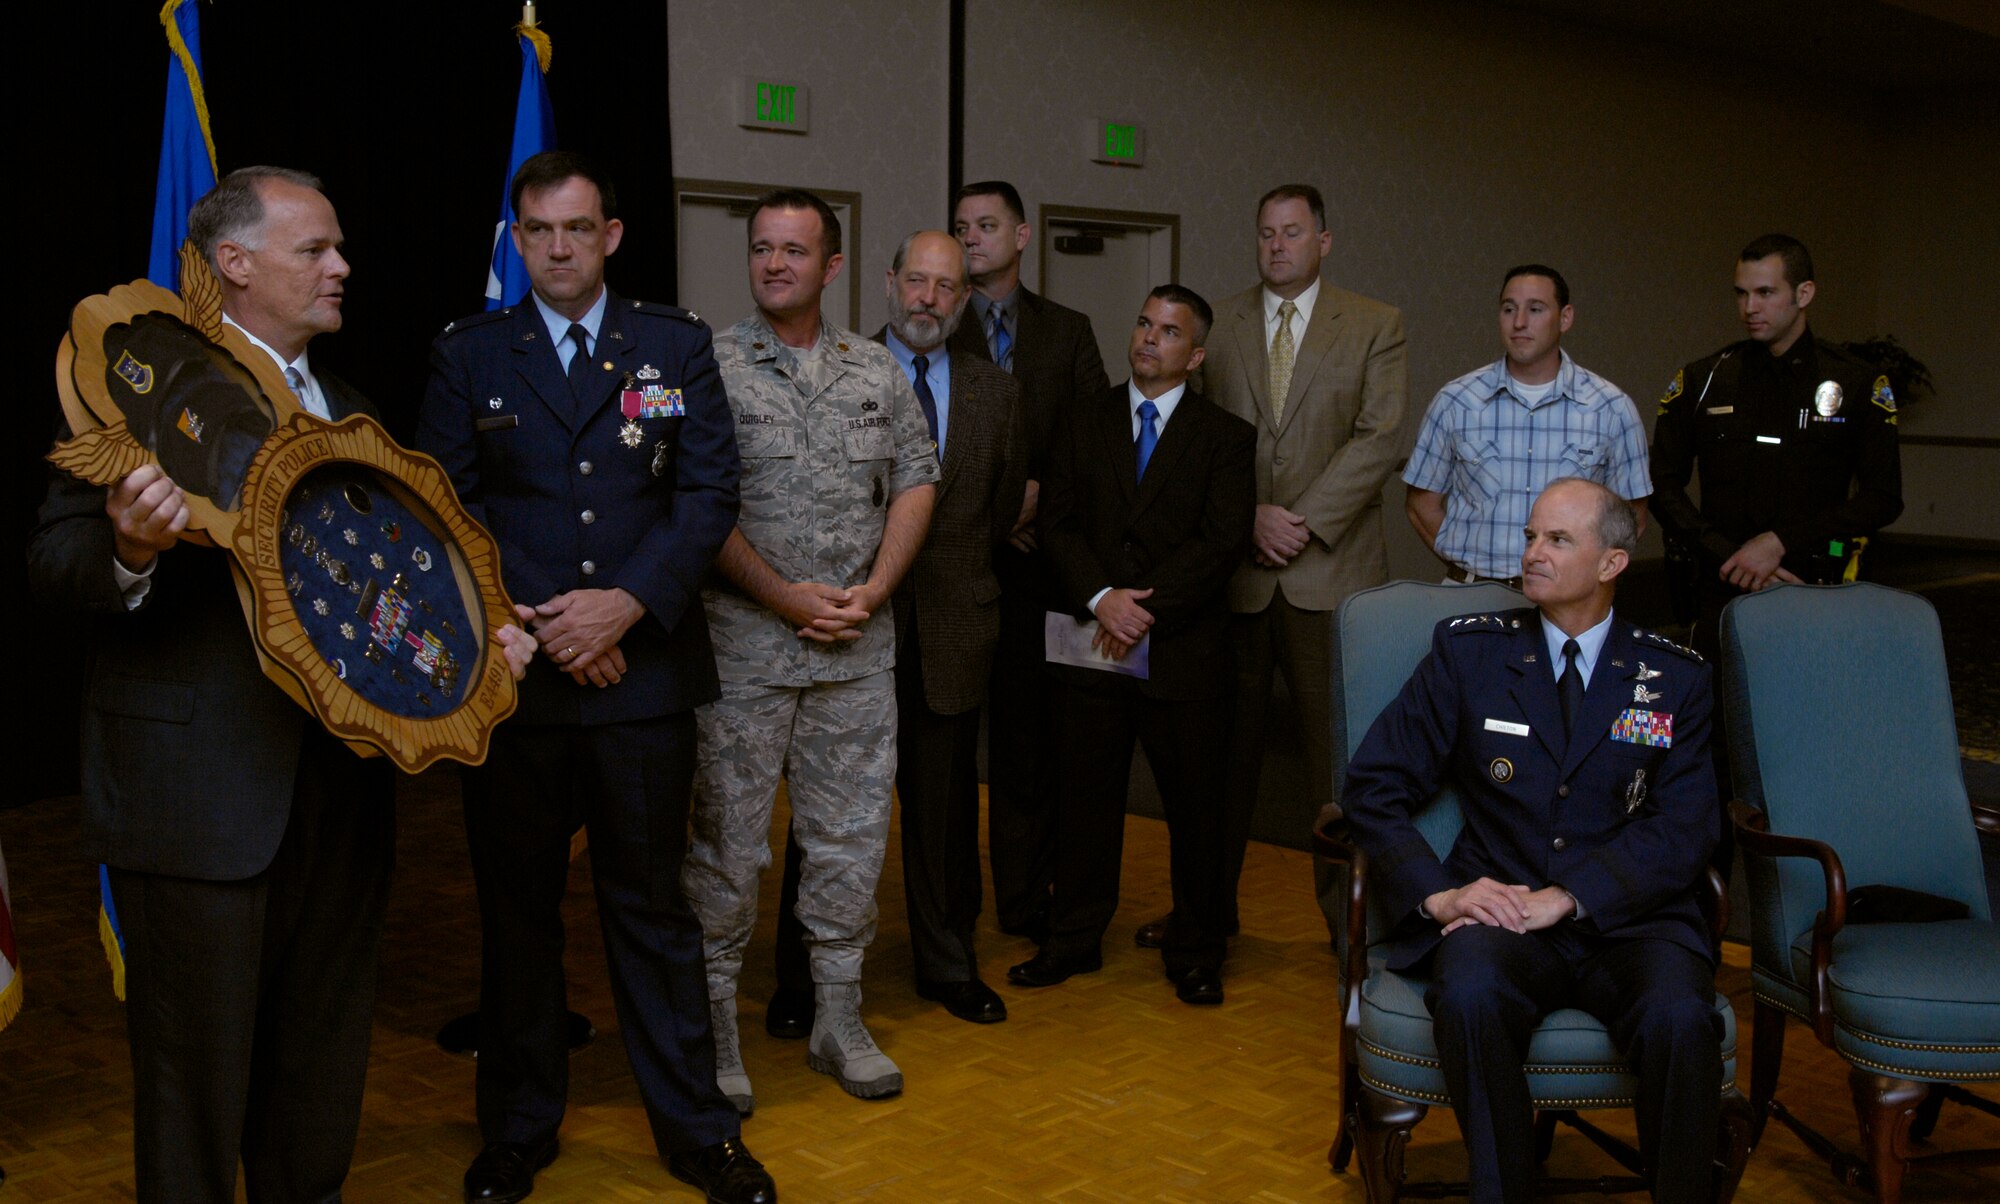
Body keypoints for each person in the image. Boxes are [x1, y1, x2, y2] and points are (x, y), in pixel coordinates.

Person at [28, 166, 536, 1203]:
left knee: (318, 1076)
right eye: (316, 250)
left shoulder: (353, 410)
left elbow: (397, 588)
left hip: (342, 796)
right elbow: (52, 564)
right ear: (235, 265)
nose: (343, 267)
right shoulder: (144, 385)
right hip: (196, 800)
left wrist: (481, 649)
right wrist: (129, 547)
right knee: (194, 1091)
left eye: (339, 248)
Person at [417, 151, 774, 1204]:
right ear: (515, 241)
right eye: (538, 232)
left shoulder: (671, 344)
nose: (559, 249)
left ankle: (698, 1132)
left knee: (653, 909)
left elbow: (708, 492)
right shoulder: (468, 352)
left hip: (643, 681)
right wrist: (553, 617)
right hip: (519, 682)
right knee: (517, 910)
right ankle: (518, 1129)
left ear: (611, 235)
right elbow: (445, 498)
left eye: (577, 229)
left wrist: (622, 604)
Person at [1344, 478, 1722, 1204]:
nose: (1532, 554)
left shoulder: (1674, 678)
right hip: (1504, 912)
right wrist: (1440, 893)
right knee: (1471, 992)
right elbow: (1373, 786)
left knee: (1680, 1015)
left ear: (1612, 564)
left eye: (1557, 540)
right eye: (1529, 536)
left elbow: (1686, 827)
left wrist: (1572, 898)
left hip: (1634, 921)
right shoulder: (1470, 655)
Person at [684, 189, 938, 1111]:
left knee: (849, 845)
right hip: (746, 654)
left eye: (795, 251)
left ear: (832, 267)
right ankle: (714, 1031)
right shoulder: (707, 368)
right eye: (762, 249)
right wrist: (786, 595)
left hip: (856, 657)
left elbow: (916, 478)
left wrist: (875, 590)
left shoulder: (876, 369)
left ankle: (839, 1018)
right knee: (726, 852)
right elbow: (694, 509)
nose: (776, 264)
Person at [767, 231, 1026, 1028]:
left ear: (965, 298)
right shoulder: (842, 370)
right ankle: (800, 981)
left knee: (944, 813)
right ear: (888, 282)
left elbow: (999, 510)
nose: (929, 299)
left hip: (951, 630)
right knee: (825, 810)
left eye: (947, 287)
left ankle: (946, 966)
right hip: (847, 632)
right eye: (916, 280)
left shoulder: (997, 394)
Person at [1009, 285, 1254, 1005]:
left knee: (1196, 810)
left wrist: (1142, 611)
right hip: (1091, 641)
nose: (1150, 338)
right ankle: (1074, 939)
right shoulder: (1081, 420)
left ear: (1195, 354)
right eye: (1144, 322)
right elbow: (1056, 523)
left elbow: (1222, 542)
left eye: (1169, 331)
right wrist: (1101, 601)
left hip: (1182, 650)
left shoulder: (1226, 437)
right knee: (1083, 799)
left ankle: (1198, 950)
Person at [1186, 183, 1407, 952]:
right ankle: (1207, 916)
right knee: (1223, 763)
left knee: (1336, 772)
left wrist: (1299, 523)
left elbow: (1378, 438)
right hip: (1239, 577)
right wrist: (1247, 516)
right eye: (1265, 234)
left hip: (1331, 577)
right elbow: (1199, 434)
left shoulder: (1375, 324)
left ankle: (1349, 928)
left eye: (1291, 233)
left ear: (1324, 240)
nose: (1276, 246)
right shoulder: (1224, 321)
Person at [948, 180, 1110, 947]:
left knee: (1029, 745)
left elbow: (1095, 438)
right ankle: (951, 910)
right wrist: (992, 511)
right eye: (961, 227)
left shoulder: (1068, 330)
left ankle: (1024, 901)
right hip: (961, 564)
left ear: (1021, 236)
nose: (971, 238)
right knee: (952, 750)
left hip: (1046, 568)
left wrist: (1036, 500)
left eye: (985, 226)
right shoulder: (936, 329)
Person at [1650, 233, 1901, 658]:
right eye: (1742, 294)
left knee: (1808, 713)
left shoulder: (1856, 382)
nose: (1750, 308)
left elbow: (1883, 499)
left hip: (1811, 583)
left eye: (1766, 293)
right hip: (1720, 581)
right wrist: (1727, 555)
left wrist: (1780, 543)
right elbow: (1660, 482)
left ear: (1804, 294)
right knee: (1718, 712)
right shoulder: (1705, 379)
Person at [1405, 264, 1651, 585]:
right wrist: (1473, 568)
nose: (1519, 322)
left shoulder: (1611, 408)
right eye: (1509, 309)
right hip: (1472, 595)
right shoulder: (1456, 401)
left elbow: (1632, 519)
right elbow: (1421, 506)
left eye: (1535, 309)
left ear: (1565, 318)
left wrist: (1580, 581)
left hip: (1569, 599)